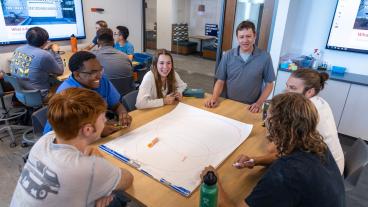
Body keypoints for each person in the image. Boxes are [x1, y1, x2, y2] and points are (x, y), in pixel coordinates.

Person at [201, 92, 345, 207]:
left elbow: (287, 172)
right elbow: (285, 158)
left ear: (278, 127)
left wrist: (213, 183)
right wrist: (255, 160)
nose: (265, 123)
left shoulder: (285, 175)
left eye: (268, 119)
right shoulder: (317, 144)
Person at [11, 88, 133, 207]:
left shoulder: (45, 140)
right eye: (103, 118)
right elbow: (127, 178)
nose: (106, 121)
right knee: (119, 197)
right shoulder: (90, 168)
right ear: (88, 130)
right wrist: (103, 186)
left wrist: (100, 186)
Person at [238, 69, 345, 174]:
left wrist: (256, 160)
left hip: (325, 173)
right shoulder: (320, 102)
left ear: (310, 92)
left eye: (292, 88)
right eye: (287, 86)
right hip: (332, 164)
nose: (286, 91)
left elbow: (275, 150)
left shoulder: (302, 114)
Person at [43, 51, 132, 136]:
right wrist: (97, 131)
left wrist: (123, 114)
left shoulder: (102, 81)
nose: (99, 75)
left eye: (100, 70)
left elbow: (116, 105)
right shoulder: (67, 94)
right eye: (92, 72)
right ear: (77, 74)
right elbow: (64, 133)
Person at [205, 20, 275, 113]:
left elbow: (270, 84)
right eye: (241, 37)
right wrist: (214, 98)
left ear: (255, 36)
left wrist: (259, 103)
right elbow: (220, 81)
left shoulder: (265, 57)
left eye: (248, 36)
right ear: (237, 38)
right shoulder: (228, 55)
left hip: (251, 107)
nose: (245, 40)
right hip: (228, 102)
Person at [10, 27, 64, 96]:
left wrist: (43, 48)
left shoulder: (18, 49)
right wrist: (56, 52)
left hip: (22, 92)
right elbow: (60, 71)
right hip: (41, 94)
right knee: (66, 84)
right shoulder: (43, 55)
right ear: (45, 41)